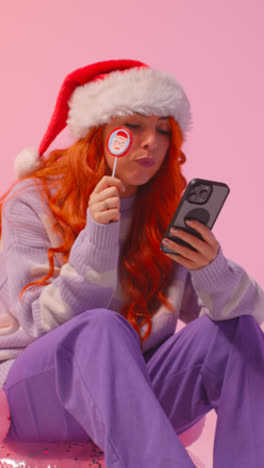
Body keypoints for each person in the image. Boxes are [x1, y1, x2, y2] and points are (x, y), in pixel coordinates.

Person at [0, 59, 264, 468]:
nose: (151, 143)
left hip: (129, 392)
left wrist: (212, 268)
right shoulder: (32, 201)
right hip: (34, 395)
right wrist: (97, 240)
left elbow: (248, 316)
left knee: (235, 330)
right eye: (134, 127)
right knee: (101, 327)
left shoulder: (161, 212)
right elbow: (37, 323)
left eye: (162, 129)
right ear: (100, 133)